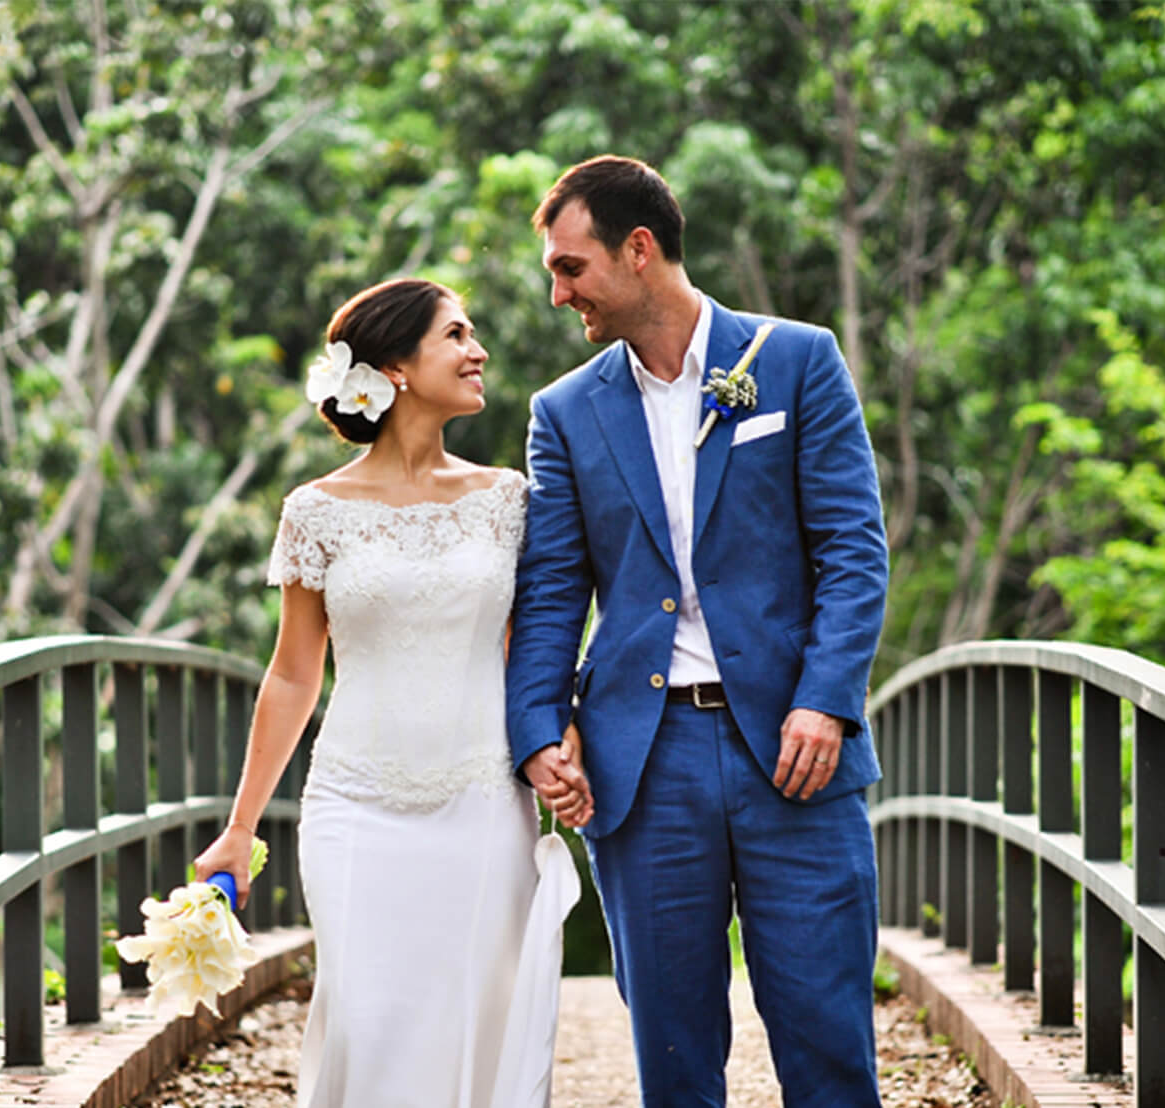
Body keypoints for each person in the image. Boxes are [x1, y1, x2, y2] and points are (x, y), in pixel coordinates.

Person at [506, 155, 889, 1108]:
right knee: (672, 1053)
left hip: (796, 749)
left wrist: (826, 701)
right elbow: (552, 590)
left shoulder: (798, 360)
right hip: (646, 761)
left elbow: (853, 550)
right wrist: (537, 732)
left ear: (638, 251)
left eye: (569, 267)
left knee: (827, 1032)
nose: (558, 294)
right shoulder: (562, 412)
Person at [195, 277, 579, 1108]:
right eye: (458, 335)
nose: (479, 351)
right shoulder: (317, 511)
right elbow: (295, 674)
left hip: (481, 801)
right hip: (355, 805)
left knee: (478, 1013)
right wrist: (239, 828)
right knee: (369, 1020)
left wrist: (561, 738)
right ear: (398, 366)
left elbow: (531, 651)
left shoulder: (507, 499)